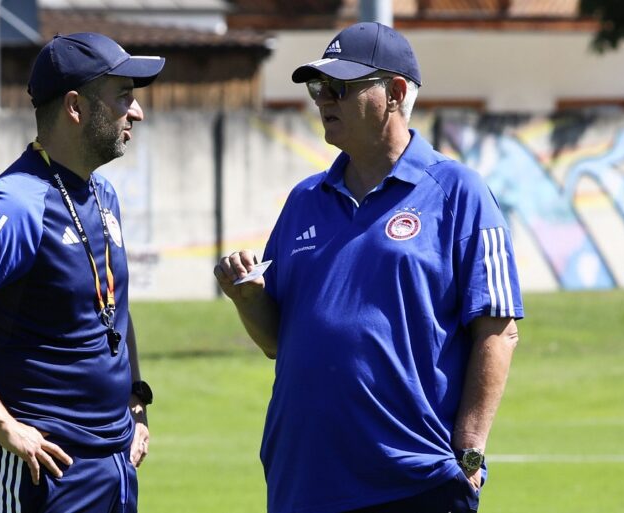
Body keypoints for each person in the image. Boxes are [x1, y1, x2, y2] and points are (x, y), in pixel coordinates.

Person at [215, 22, 522, 513]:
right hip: (305, 478)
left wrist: (469, 451)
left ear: (395, 93)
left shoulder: (459, 193)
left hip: (413, 480)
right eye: (318, 87)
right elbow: (277, 341)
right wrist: (247, 298)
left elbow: (499, 329)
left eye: (339, 87)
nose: (323, 99)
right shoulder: (304, 200)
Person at [0, 33, 163, 513]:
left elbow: (112, 308)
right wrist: (4, 425)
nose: (137, 112)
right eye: (124, 96)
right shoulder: (16, 205)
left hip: (115, 465)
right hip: (43, 472)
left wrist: (135, 399)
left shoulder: (103, 194)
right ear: (75, 107)